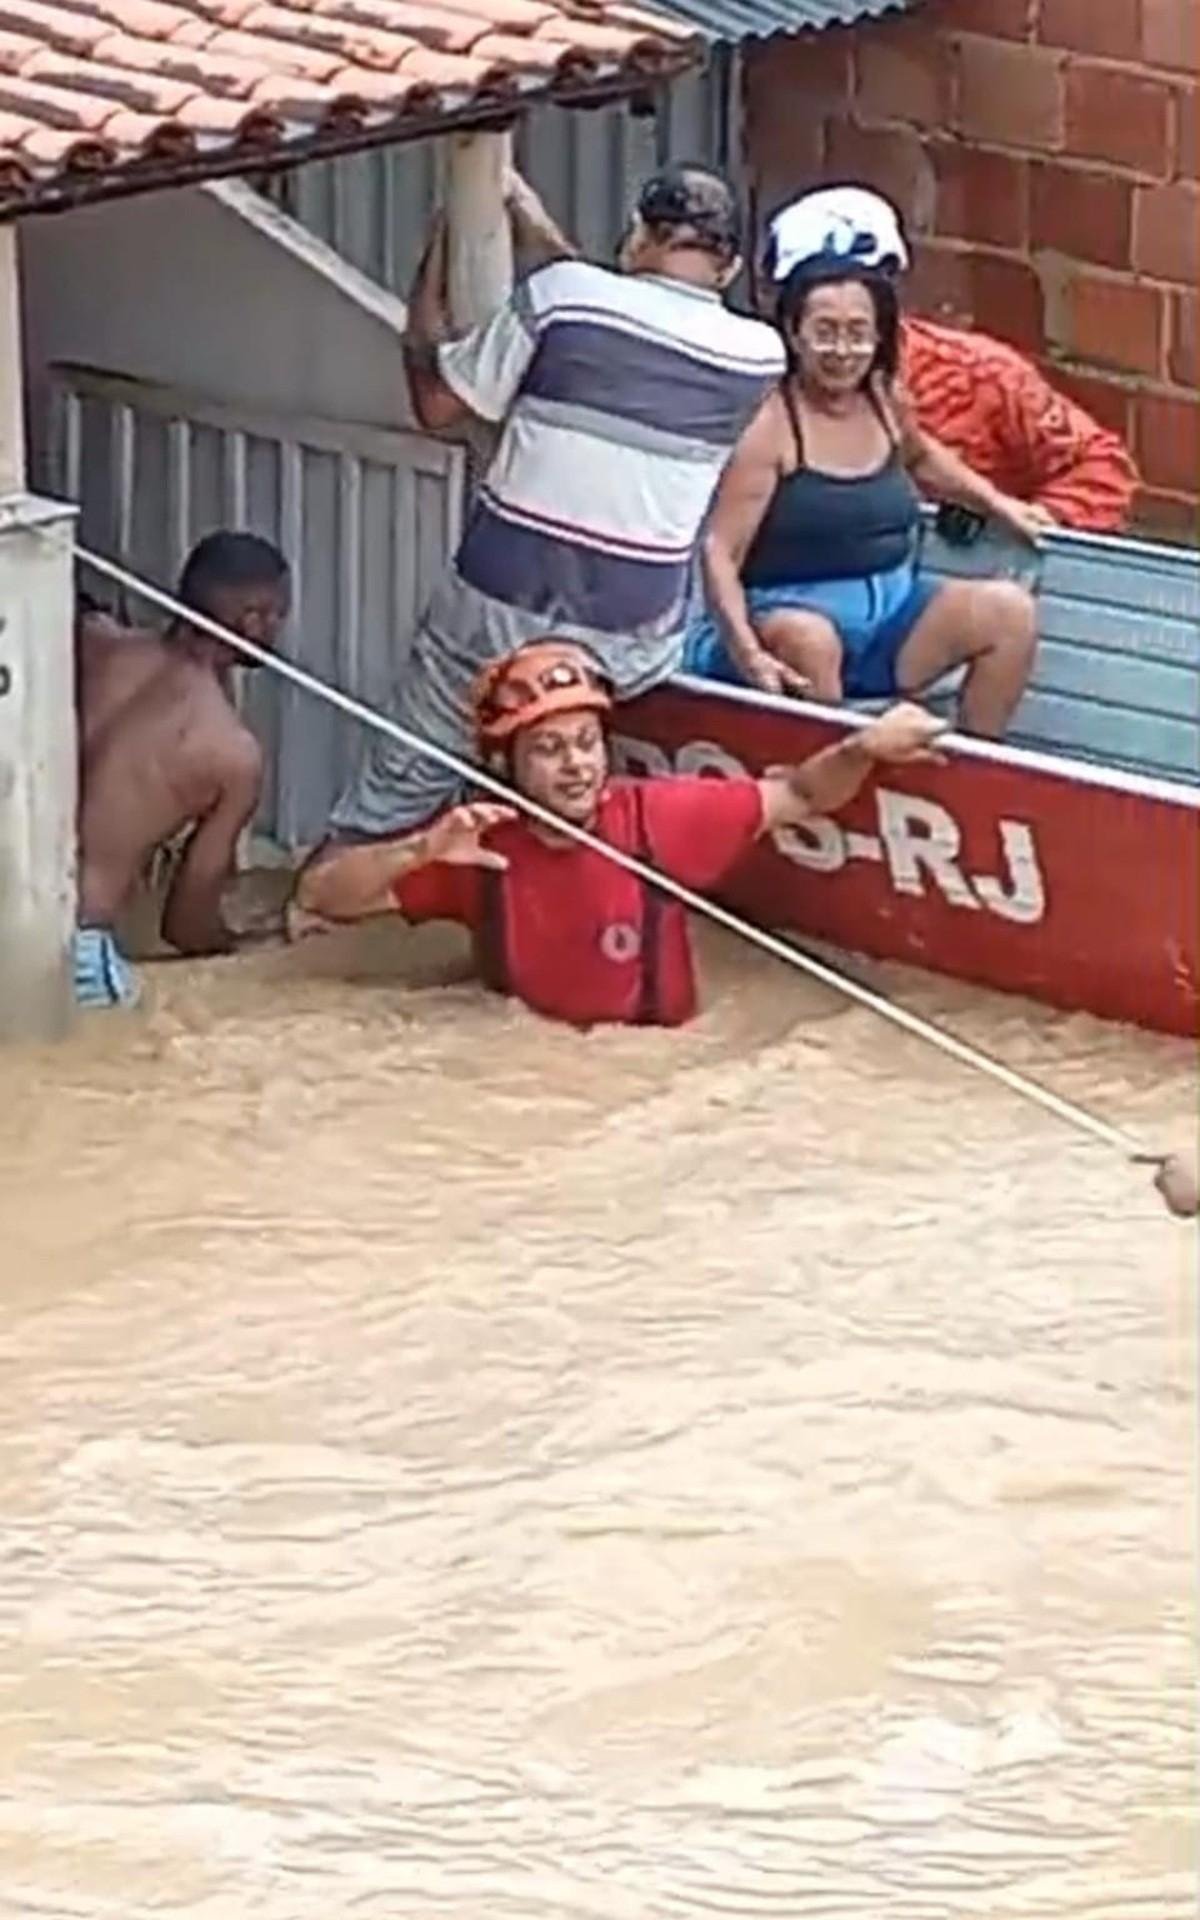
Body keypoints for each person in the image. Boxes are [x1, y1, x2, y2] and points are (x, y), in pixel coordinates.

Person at [323, 163, 785, 847]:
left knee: (404, 776)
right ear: (732, 266)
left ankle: (336, 883)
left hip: (498, 611)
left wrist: (439, 257)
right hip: (631, 643)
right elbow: (622, 319)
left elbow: (436, 405)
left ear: (636, 236)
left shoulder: (563, 298)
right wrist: (538, 230)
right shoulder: (760, 356)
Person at [294, 640, 945, 1029]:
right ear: (504, 766)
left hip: (657, 1080)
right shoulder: (478, 848)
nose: (576, 764)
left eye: (586, 743)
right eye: (548, 748)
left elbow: (801, 794)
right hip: (525, 1079)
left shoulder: (662, 819)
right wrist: (417, 851)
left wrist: (863, 748)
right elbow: (321, 897)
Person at [687, 189, 1040, 733]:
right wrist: (748, 651)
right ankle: (825, 779)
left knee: (1008, 612)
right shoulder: (771, 427)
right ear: (794, 334)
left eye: (857, 334)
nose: (841, 351)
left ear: (878, 339)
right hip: (786, 625)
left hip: (890, 618)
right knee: (812, 640)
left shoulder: (884, 399)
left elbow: (922, 459)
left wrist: (1000, 504)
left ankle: (979, 768)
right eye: (824, 332)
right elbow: (719, 550)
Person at [769, 187, 1138, 531]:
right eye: (821, 318)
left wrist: (1029, 522)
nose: (840, 344)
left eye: (857, 313)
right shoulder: (760, 384)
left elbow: (1101, 467)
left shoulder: (980, 375)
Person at [74, 531, 290, 1008]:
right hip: (71, 941)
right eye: (277, 613)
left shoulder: (93, 642)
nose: (279, 626)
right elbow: (186, 926)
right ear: (251, 619)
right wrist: (244, 945)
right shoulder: (232, 754)